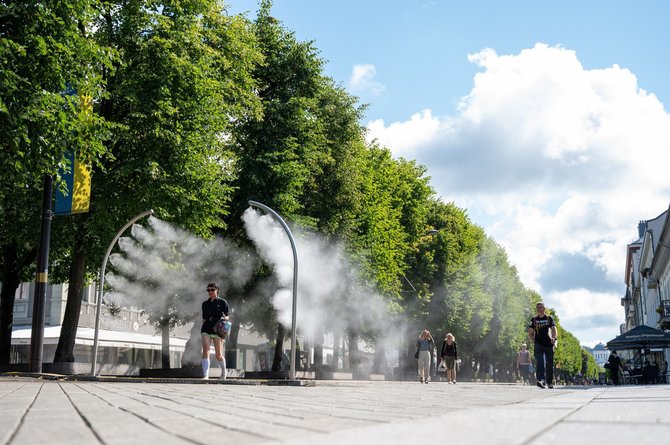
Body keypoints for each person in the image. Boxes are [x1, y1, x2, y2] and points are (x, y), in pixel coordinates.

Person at [201, 282, 230, 379]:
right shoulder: (204, 304)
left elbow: (227, 315)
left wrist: (225, 318)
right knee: (206, 349)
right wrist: (204, 324)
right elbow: (204, 318)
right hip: (206, 328)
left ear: (217, 290)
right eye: (208, 290)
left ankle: (224, 371)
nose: (210, 291)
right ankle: (206, 375)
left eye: (212, 289)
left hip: (218, 328)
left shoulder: (222, 302)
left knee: (218, 355)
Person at [528, 302, 557, 389]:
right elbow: (530, 331)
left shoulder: (549, 318)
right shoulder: (534, 319)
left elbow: (553, 329)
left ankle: (549, 382)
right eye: (537, 307)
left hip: (548, 344)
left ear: (544, 308)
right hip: (538, 344)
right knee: (539, 362)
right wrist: (533, 340)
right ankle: (541, 380)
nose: (539, 309)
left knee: (549, 364)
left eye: (541, 307)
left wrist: (554, 338)